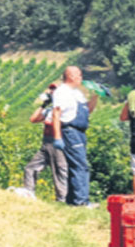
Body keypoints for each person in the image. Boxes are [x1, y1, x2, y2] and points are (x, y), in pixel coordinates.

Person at [52, 66, 98, 207]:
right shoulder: (62, 92)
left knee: (76, 166)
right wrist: (57, 137)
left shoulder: (77, 93)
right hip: (70, 131)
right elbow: (56, 114)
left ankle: (72, 200)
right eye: (79, 75)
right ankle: (82, 201)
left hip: (80, 132)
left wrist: (96, 95)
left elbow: (88, 109)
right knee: (80, 166)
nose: (81, 77)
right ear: (71, 76)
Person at [21, 84, 68, 202]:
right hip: (45, 143)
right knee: (30, 168)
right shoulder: (48, 110)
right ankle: (29, 192)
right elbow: (33, 119)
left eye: (54, 90)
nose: (51, 91)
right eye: (51, 89)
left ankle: (62, 198)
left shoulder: (64, 109)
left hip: (57, 143)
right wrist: (43, 105)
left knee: (59, 171)